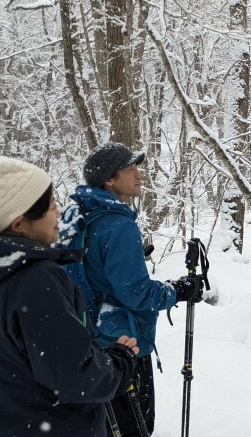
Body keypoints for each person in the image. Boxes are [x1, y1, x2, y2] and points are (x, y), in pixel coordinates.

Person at [0, 155, 140, 436]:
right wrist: (120, 362)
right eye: (50, 207)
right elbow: (76, 380)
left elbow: (24, 365)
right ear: (19, 223)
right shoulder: (36, 279)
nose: (58, 214)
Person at [61, 142, 203, 436]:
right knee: (135, 427)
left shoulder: (81, 213)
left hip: (86, 336)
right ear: (109, 180)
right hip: (123, 344)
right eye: (131, 169)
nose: (140, 174)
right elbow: (135, 292)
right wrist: (177, 291)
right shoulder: (117, 225)